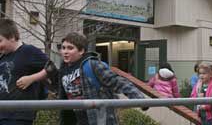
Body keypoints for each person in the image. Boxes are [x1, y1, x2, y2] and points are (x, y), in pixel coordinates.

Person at [17, 32, 146, 125]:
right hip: (76, 119)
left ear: (81, 51)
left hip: (98, 119)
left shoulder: (92, 65)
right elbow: (61, 93)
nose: (65, 52)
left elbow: (118, 81)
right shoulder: (63, 69)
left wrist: (139, 99)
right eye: (63, 48)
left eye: (70, 48)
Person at [0, 18, 48, 125]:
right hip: (2, 113)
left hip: (19, 116)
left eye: (0, 41)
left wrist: (32, 78)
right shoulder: (3, 57)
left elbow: (52, 68)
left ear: (12, 37)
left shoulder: (28, 51)